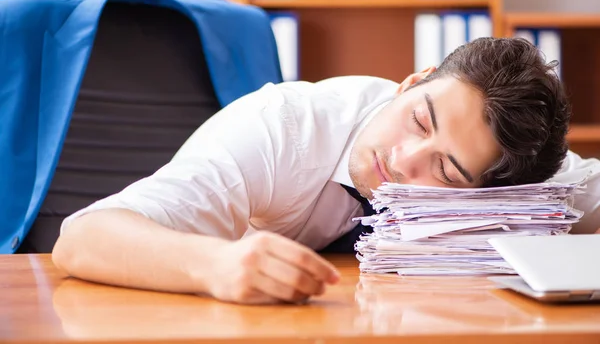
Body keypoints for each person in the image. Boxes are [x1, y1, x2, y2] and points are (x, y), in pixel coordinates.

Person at [52, 37, 600, 305]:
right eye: (418, 120)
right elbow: (82, 238)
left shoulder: (520, 183)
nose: (404, 160)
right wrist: (213, 264)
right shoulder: (282, 128)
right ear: (412, 81)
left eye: (448, 172)